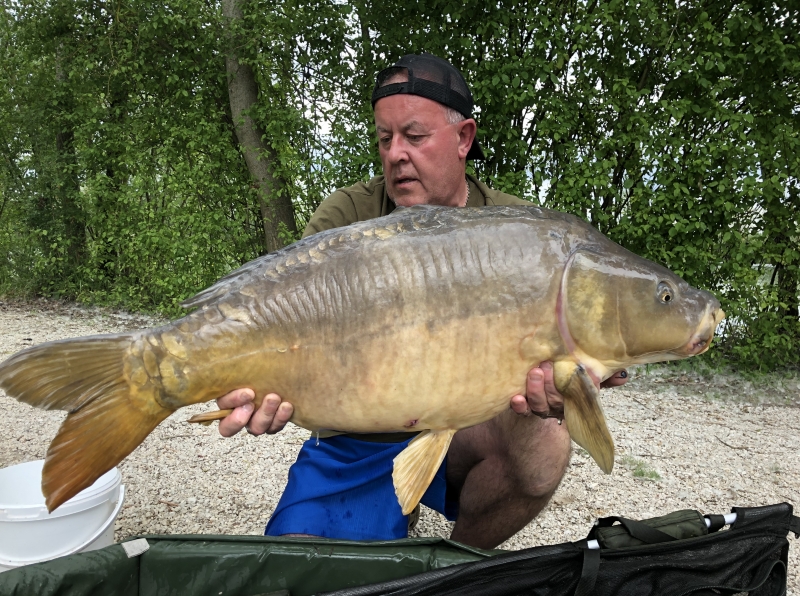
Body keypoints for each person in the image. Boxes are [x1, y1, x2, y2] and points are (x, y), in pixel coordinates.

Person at [216, 54, 627, 549]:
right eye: (384, 139)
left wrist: (584, 374)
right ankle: (382, 507)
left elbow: (592, 330)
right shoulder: (347, 216)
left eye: (414, 136)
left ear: (463, 138)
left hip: (471, 427)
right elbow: (285, 328)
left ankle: (452, 562)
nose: (395, 155)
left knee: (544, 438)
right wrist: (258, 381)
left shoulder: (523, 233)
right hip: (362, 435)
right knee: (310, 570)